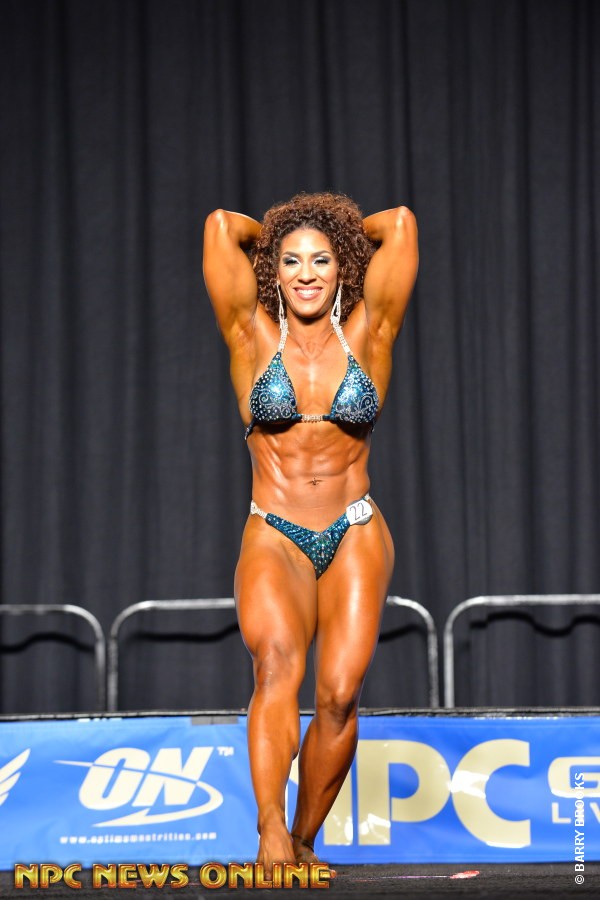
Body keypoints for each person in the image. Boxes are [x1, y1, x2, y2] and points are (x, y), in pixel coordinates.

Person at [203, 192, 418, 873]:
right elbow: (221, 227)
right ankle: (269, 827)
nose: (306, 274)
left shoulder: (371, 332)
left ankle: (302, 839)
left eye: (321, 261)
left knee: (340, 696)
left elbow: (400, 224)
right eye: (291, 262)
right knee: (274, 665)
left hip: (354, 529)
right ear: (271, 270)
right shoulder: (250, 334)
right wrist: (279, 235)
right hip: (276, 531)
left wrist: (340, 232)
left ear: (343, 268)